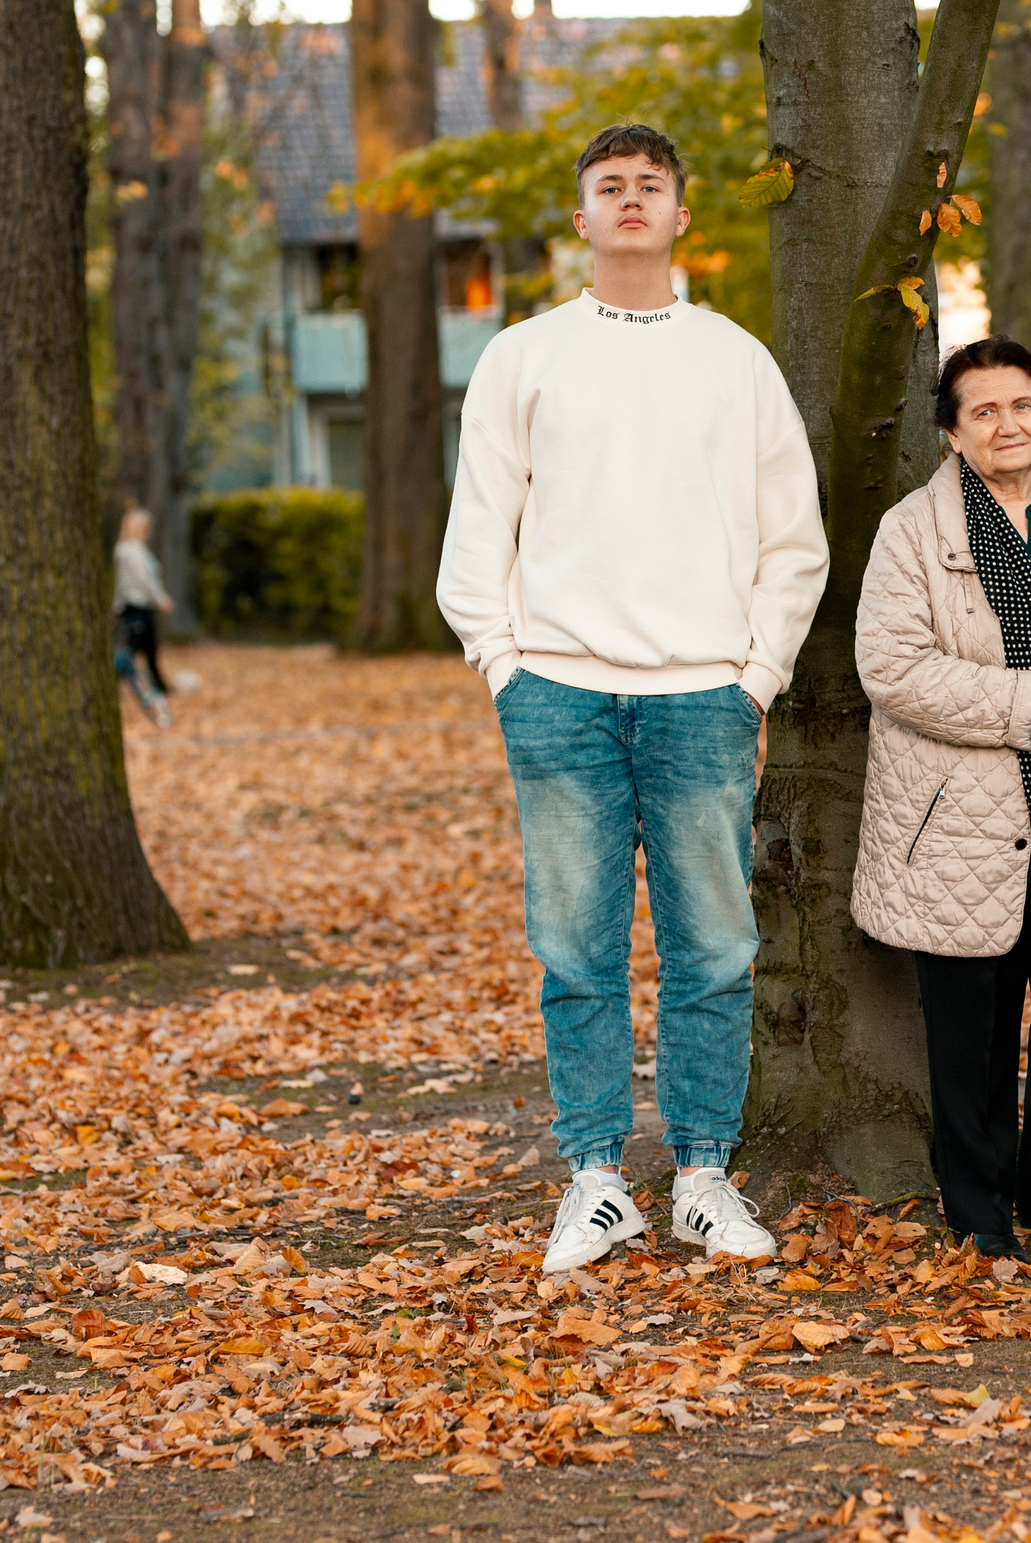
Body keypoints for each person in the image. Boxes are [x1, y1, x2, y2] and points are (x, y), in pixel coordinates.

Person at [437, 122, 830, 1274]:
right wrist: (504, 665)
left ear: (680, 214)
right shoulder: (525, 356)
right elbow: (478, 529)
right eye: (608, 187)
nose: (628, 202)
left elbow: (791, 541)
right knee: (577, 949)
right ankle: (597, 1181)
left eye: (649, 187)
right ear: (579, 217)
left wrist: (755, 675)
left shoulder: (734, 359)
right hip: (558, 692)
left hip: (704, 694)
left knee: (714, 947)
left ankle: (704, 1174)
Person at [852, 336, 1031, 1259]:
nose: (1008, 424)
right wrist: (1028, 701)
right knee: (972, 1036)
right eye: (984, 411)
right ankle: (979, 1214)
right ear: (951, 432)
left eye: (1021, 405)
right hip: (963, 818)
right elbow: (890, 667)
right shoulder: (913, 530)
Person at [113, 505, 173, 723]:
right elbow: (141, 580)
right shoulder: (130, 551)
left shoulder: (135, 550)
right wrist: (160, 598)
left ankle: (159, 688)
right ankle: (122, 684)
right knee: (129, 653)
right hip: (137, 607)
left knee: (149, 649)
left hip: (140, 607)